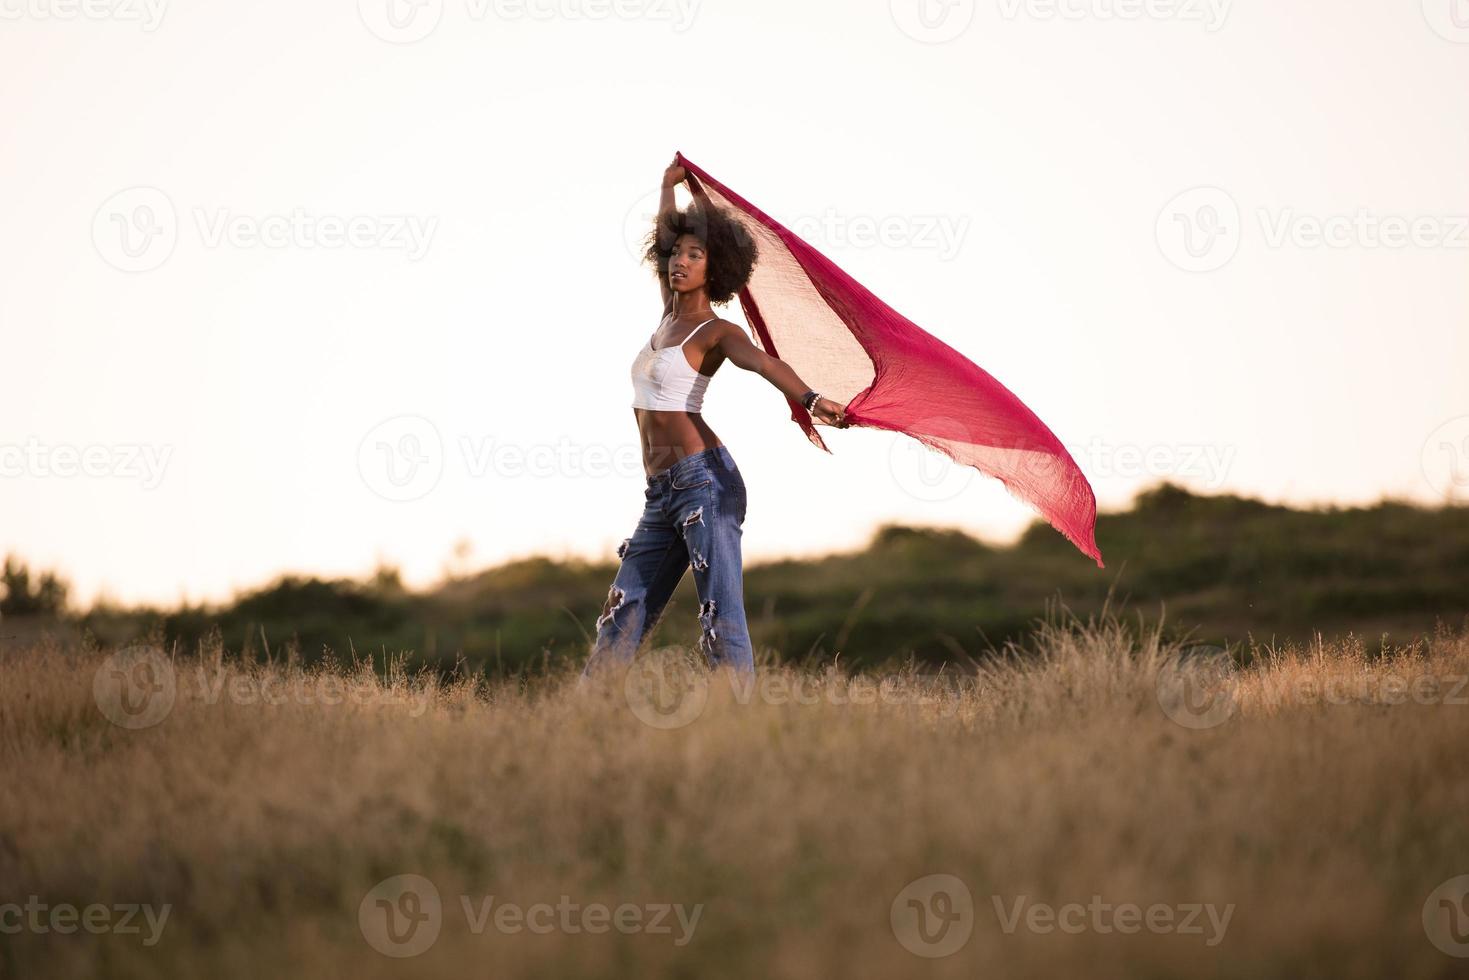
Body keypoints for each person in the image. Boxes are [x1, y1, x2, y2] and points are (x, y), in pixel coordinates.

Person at [581, 156, 849, 681]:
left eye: (694, 253)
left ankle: (738, 722)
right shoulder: (667, 318)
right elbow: (664, 235)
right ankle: (588, 718)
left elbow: (765, 363)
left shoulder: (716, 332)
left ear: (716, 267)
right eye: (676, 252)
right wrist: (666, 187)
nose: (679, 260)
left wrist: (811, 399)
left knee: (718, 616)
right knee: (623, 606)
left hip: (705, 484)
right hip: (661, 492)